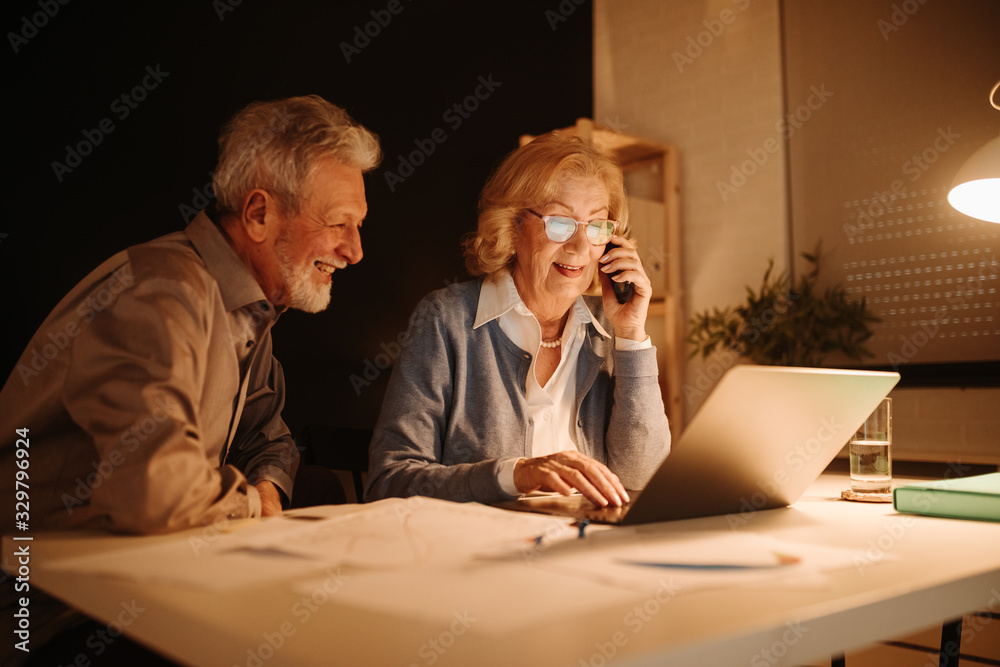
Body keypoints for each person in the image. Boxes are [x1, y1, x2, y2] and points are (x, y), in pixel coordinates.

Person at [0, 95, 380, 665]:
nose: (354, 251)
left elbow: (270, 440)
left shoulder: (251, 309)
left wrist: (270, 492)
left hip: (134, 579)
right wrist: (252, 508)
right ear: (257, 214)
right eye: (338, 225)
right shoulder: (162, 295)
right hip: (44, 615)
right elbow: (153, 490)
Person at [365, 133, 669, 508]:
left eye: (596, 226)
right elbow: (389, 482)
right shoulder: (447, 320)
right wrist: (517, 474)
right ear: (512, 224)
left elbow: (641, 478)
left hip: (585, 550)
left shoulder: (608, 331)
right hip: (482, 555)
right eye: (559, 223)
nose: (579, 247)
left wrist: (632, 334)